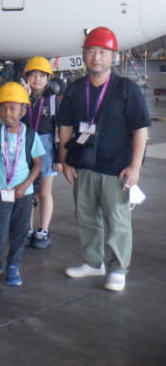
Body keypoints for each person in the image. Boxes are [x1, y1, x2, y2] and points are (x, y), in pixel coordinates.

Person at [57, 27, 150, 292]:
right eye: (91, 51)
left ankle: (118, 269)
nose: (96, 57)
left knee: (117, 220)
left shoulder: (126, 89)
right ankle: (93, 261)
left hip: (116, 169)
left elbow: (141, 129)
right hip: (83, 166)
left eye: (103, 52)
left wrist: (135, 166)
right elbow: (64, 127)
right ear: (84, 54)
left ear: (113, 56)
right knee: (85, 217)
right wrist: (65, 160)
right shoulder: (75, 89)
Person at [0, 82, 44, 287]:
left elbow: (37, 165)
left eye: (13, 108)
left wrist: (25, 186)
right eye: (4, 108)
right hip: (0, 189)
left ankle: (13, 265)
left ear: (24, 110)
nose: (7, 113)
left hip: (23, 193)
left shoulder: (31, 135)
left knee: (19, 229)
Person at [20, 57, 60, 249]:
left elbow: (61, 129)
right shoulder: (21, 98)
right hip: (26, 145)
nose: (37, 79)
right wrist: (24, 100)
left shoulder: (53, 100)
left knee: (44, 192)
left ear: (48, 78)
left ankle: (43, 230)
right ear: (26, 76)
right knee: (28, 191)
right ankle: (27, 228)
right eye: (32, 74)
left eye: (42, 75)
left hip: (46, 146)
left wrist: (59, 157)